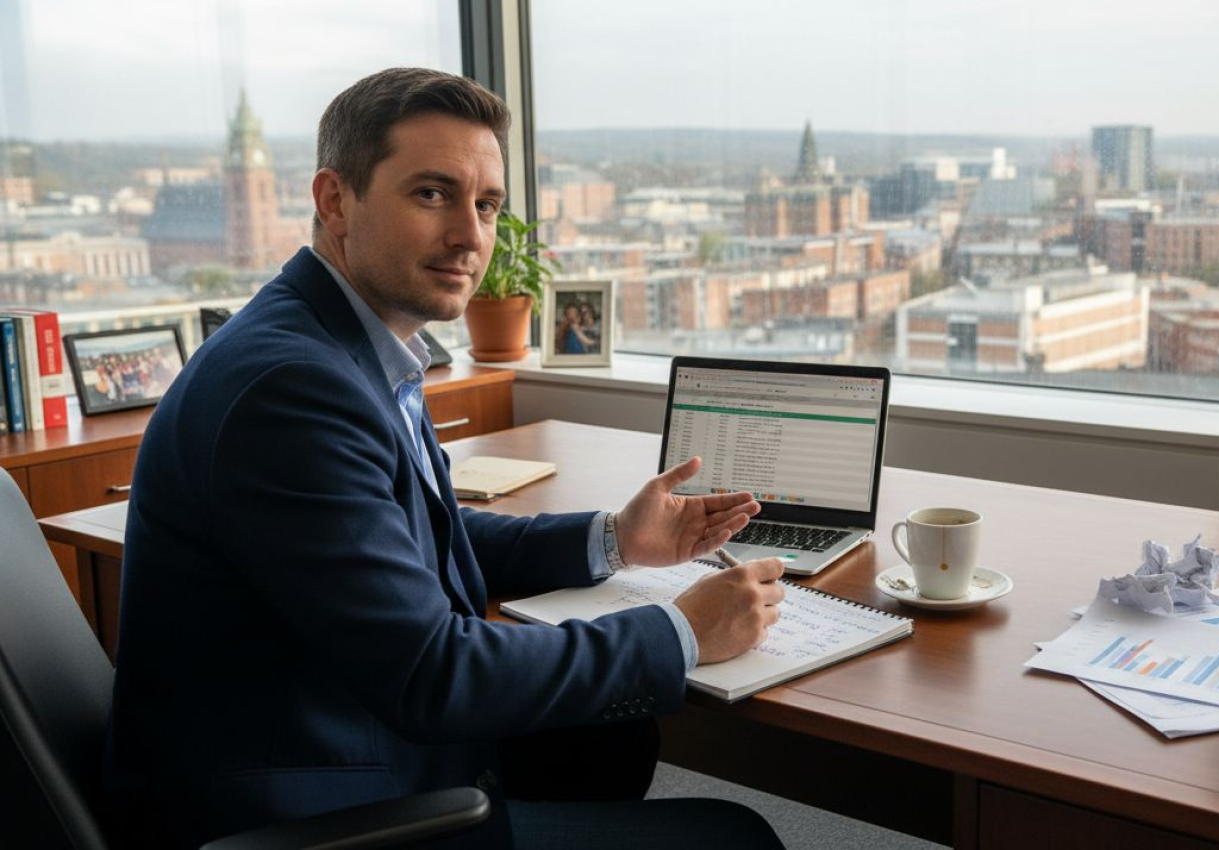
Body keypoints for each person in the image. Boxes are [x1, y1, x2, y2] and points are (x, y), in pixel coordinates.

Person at [103, 68, 788, 850]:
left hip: (337, 728)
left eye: (487, 204)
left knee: (611, 740)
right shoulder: (290, 389)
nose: (471, 235)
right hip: (301, 806)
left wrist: (616, 540)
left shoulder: (344, 339)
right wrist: (681, 631)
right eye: (432, 194)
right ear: (335, 200)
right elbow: (433, 674)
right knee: (733, 837)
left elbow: (417, 539)